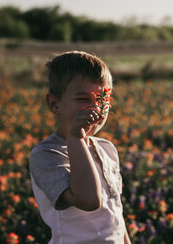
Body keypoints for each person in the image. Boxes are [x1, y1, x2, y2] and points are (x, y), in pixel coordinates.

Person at [29, 51, 131, 244]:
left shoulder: (106, 148)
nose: (96, 109)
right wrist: (76, 138)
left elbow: (115, 212)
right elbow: (89, 200)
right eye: (84, 99)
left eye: (103, 100)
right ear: (54, 104)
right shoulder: (47, 154)